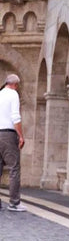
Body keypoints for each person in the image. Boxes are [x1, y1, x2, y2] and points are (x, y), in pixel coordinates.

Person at [0, 74, 26, 211]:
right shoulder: (13, 94)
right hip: (7, 134)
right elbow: (16, 117)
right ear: (15, 85)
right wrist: (21, 136)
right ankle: (14, 203)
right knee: (14, 168)